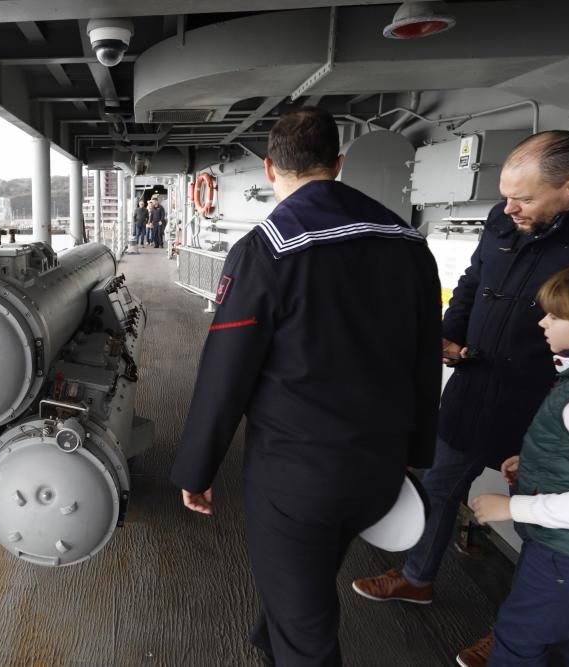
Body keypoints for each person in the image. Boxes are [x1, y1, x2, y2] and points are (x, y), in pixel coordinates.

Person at [170, 107, 442, 666]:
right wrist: (416, 454)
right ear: (339, 164)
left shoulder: (267, 249)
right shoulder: (408, 241)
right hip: (379, 467)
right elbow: (425, 357)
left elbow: (226, 371)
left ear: (270, 168)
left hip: (297, 477)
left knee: (307, 634)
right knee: (299, 590)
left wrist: (196, 470)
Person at [350, 131, 569, 666]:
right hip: (475, 383)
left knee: (547, 536)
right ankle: (417, 578)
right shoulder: (504, 223)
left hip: (544, 405)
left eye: (522, 199)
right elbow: (474, 282)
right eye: (505, 195)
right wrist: (447, 335)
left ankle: (512, 634)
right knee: (438, 484)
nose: (508, 208)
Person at [468, 262, 569, 667]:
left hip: (565, 557)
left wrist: (512, 506)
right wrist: (536, 462)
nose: (543, 323)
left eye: (556, 314)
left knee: (518, 640)